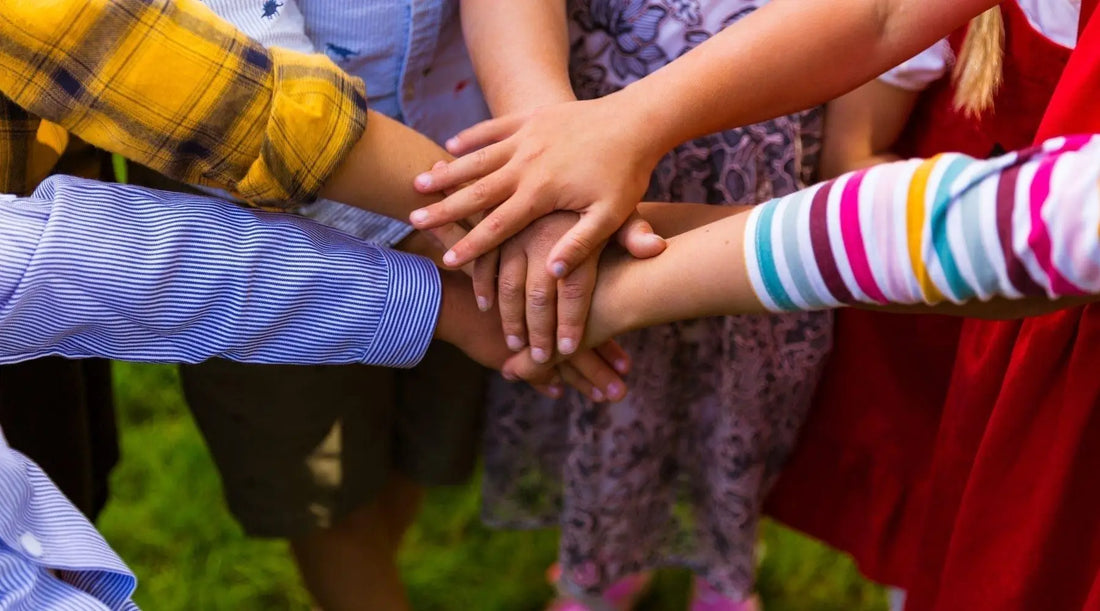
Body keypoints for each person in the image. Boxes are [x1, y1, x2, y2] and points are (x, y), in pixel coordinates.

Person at [460, 2, 830, 609]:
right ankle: (603, 556)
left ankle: (723, 563)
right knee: (613, 371)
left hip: (762, 164)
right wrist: (554, 151)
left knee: (739, 387)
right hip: (584, 129)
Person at [171, 3, 518, 609]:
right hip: (268, 233)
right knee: (323, 491)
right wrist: (494, 253)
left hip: (464, 172)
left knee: (420, 441)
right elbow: (245, 75)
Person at [766, 5, 1077, 609]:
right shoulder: (959, 18)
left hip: (1065, 350)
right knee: (938, 537)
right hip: (939, 333)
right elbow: (851, 156)